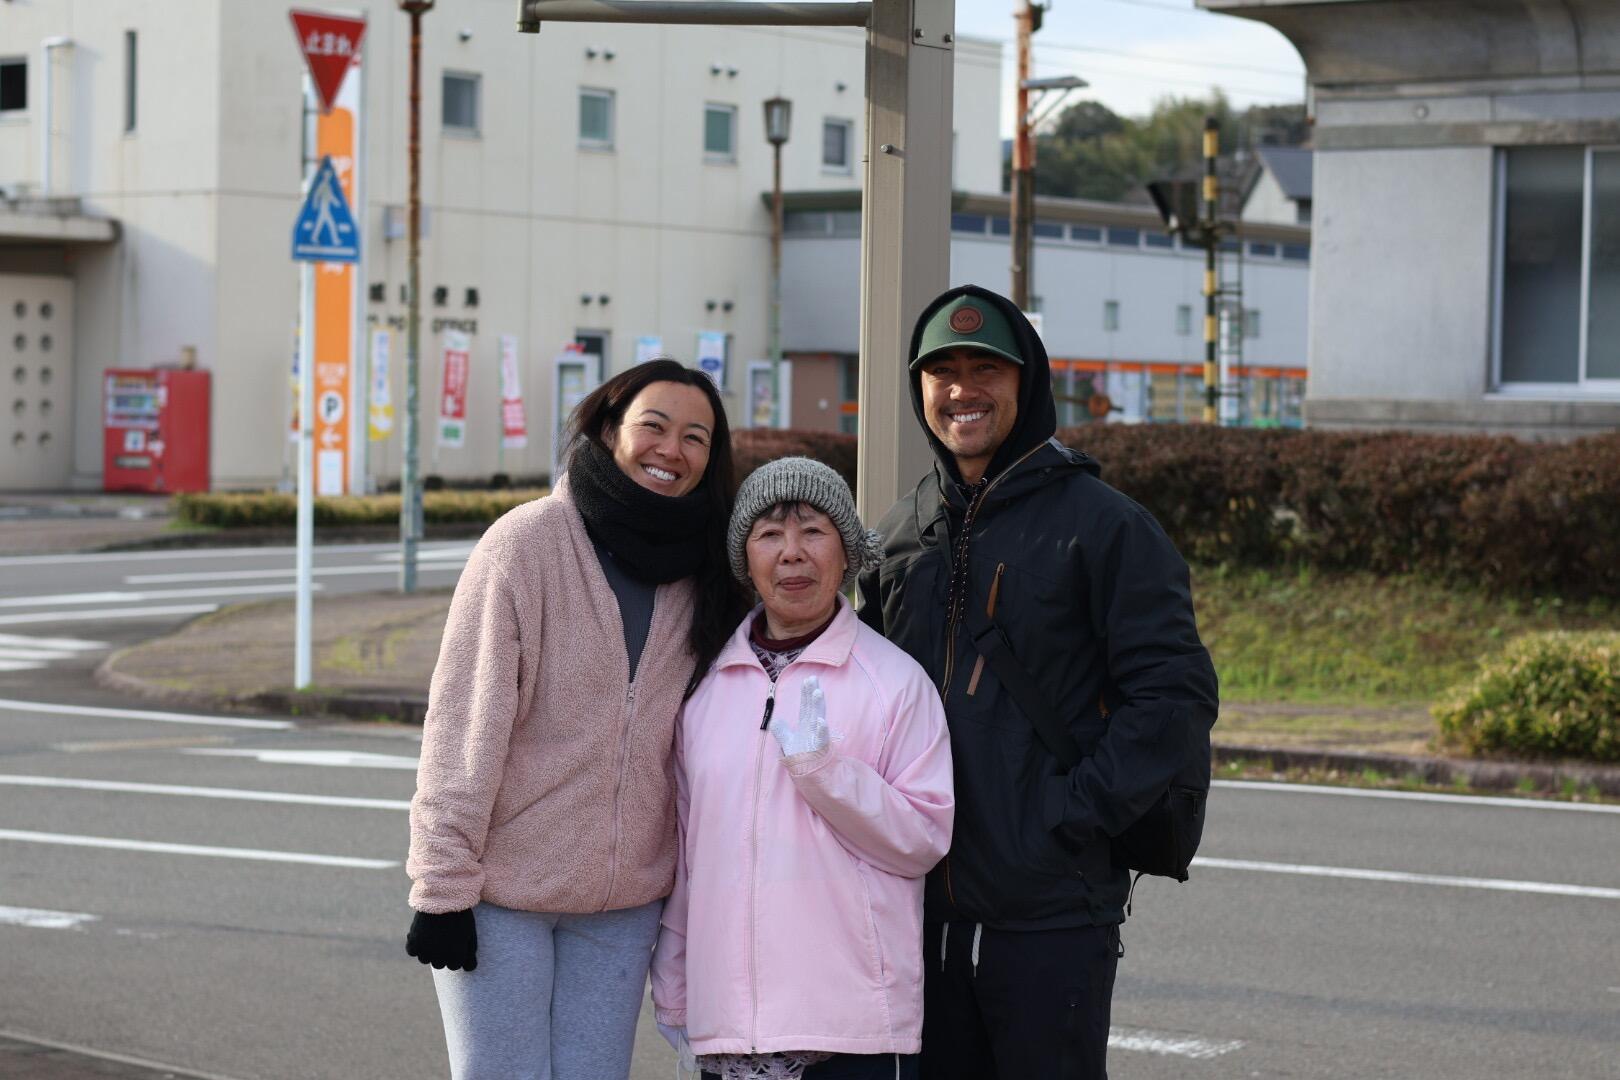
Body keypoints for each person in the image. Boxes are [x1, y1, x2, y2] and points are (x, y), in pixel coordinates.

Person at [856, 286, 1219, 1079]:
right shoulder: (898, 534)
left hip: (1052, 916)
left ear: (1028, 380)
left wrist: (1065, 817)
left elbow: (1174, 698)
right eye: (941, 371)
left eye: (985, 366)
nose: (962, 389)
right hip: (918, 918)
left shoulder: (1105, 526)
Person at [404, 358, 745, 1080]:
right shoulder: (526, 546)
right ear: (608, 428)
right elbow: (464, 725)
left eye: (695, 437)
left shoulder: (708, 570)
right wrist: (441, 888)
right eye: (652, 426)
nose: (671, 449)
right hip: (503, 899)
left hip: (623, 909)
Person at [651, 457, 955, 1080]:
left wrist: (827, 774)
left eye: (813, 531)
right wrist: (677, 992)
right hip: (727, 1033)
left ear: (847, 553)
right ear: (746, 561)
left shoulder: (894, 683)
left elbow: (924, 839)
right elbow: (687, 855)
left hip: (850, 1032)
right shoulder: (705, 687)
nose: (792, 554)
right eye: (769, 534)